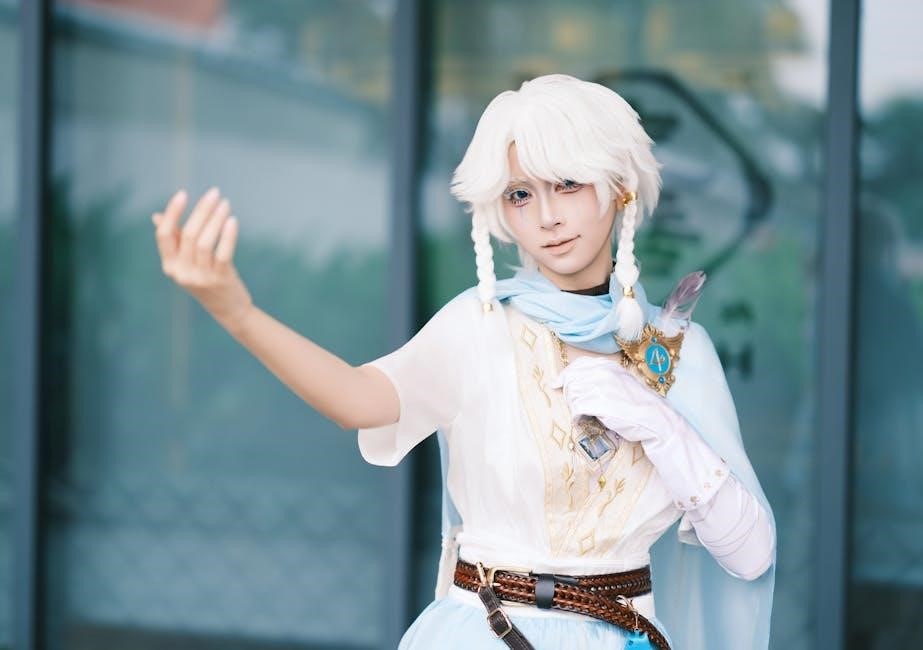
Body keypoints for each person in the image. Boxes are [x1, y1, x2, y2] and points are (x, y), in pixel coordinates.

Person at [152, 74, 776, 649]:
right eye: (521, 194)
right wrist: (238, 313)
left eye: (568, 184)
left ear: (618, 187)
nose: (547, 217)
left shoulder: (679, 351)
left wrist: (660, 426)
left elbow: (750, 556)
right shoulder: (478, 328)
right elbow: (355, 400)